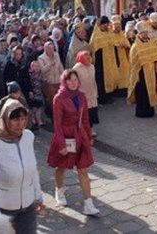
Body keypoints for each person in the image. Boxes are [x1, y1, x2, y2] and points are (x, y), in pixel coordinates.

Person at [0, 100, 43, 233]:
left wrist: (38, 196)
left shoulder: (28, 136)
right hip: (3, 210)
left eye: (23, 119)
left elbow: (33, 171)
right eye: (15, 119)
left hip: (27, 210)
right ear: (5, 119)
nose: (20, 124)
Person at [47, 70, 100, 216]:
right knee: (61, 166)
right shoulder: (59, 98)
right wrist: (61, 143)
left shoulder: (81, 96)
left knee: (83, 168)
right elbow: (57, 124)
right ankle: (59, 190)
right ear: (64, 81)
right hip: (65, 135)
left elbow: (85, 119)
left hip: (79, 135)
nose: (73, 83)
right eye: (70, 80)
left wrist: (88, 135)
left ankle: (88, 204)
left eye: (75, 80)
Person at [127, 21, 157, 118]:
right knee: (142, 92)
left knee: (151, 90)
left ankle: (150, 111)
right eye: (143, 33)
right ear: (139, 34)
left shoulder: (151, 43)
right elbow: (133, 63)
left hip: (151, 72)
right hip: (140, 73)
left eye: (146, 32)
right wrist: (136, 76)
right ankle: (141, 112)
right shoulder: (135, 47)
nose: (145, 34)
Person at [88, 16, 118, 104]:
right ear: (99, 25)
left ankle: (109, 95)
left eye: (106, 24)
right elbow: (93, 48)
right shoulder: (96, 35)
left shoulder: (110, 33)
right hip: (100, 62)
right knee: (101, 80)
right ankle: (102, 97)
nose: (105, 26)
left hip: (110, 60)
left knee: (110, 77)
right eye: (103, 24)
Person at [72, 50, 99, 137]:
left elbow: (94, 80)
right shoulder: (76, 68)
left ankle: (91, 129)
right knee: (84, 114)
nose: (88, 57)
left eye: (89, 56)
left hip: (92, 93)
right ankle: (82, 130)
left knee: (92, 113)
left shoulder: (92, 66)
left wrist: (96, 92)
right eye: (85, 56)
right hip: (82, 94)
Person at [38, 41, 64, 122]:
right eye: (49, 48)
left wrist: (63, 76)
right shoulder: (41, 58)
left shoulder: (56, 55)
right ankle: (54, 119)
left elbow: (60, 66)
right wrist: (49, 64)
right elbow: (42, 71)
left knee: (60, 100)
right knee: (52, 102)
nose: (51, 50)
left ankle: (61, 117)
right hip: (49, 83)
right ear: (45, 49)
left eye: (52, 48)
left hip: (58, 81)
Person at [28, 60, 46, 130]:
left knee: (39, 107)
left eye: (38, 66)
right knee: (34, 107)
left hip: (40, 93)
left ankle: (39, 120)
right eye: (35, 66)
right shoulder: (31, 74)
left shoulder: (40, 74)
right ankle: (33, 119)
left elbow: (43, 83)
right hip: (34, 93)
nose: (37, 68)